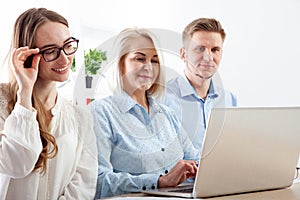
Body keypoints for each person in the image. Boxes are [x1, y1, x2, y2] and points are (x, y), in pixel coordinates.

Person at [0, 8, 97, 199]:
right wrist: (25, 93)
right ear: (26, 55)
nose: (65, 58)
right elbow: (17, 164)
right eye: (51, 51)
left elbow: (83, 185)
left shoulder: (80, 118)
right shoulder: (2, 104)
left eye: (68, 45)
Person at [90, 28, 199, 198]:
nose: (148, 67)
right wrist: (159, 181)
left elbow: (195, 159)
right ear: (119, 64)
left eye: (154, 61)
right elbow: (98, 181)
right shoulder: (101, 113)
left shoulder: (167, 114)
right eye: (139, 59)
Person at [164, 18, 238, 152]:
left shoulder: (229, 100)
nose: (208, 57)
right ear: (183, 54)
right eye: (200, 49)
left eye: (215, 50)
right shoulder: (162, 98)